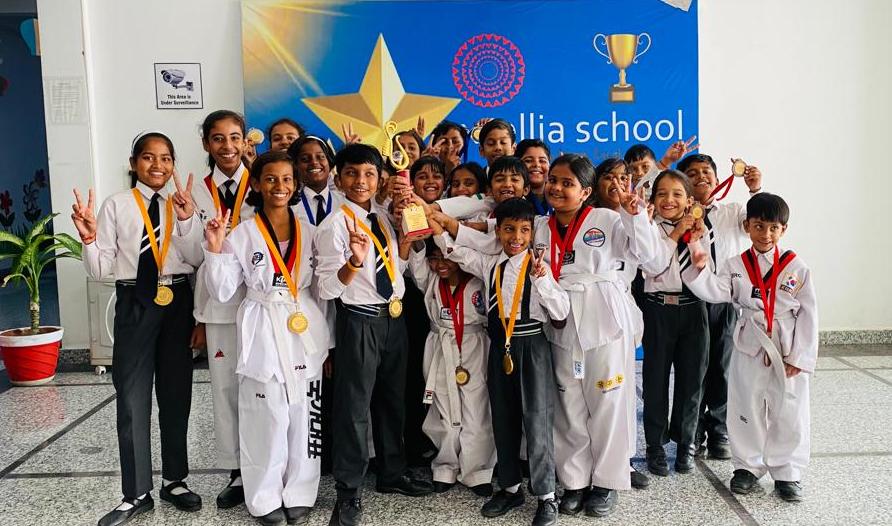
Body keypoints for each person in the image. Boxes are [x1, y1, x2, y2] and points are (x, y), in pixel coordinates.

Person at [72, 132, 204, 526]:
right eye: (148, 157)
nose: (157, 165)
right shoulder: (117, 205)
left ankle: (174, 480)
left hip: (177, 300)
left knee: (176, 394)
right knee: (131, 397)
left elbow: (198, 258)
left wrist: (186, 220)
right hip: (134, 300)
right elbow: (101, 267)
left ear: (173, 163)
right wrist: (89, 238)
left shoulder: (184, 204)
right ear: (134, 163)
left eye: (166, 158)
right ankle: (136, 493)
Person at [204, 150, 328, 525]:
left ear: (296, 184)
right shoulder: (241, 233)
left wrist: (330, 343)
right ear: (256, 184)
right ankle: (263, 496)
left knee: (305, 413)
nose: (280, 186)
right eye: (271, 179)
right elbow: (222, 292)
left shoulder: (310, 232)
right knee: (266, 415)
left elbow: (321, 290)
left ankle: (301, 490)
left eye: (287, 179)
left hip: (302, 326)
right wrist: (215, 248)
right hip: (263, 325)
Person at [430, 198, 570, 526]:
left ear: (532, 233)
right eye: (508, 229)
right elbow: (455, 251)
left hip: (532, 345)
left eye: (523, 230)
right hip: (499, 348)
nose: (516, 237)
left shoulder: (539, 267)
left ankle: (547, 496)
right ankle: (510, 488)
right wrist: (435, 221)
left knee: (537, 419)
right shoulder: (491, 265)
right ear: (498, 232)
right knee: (503, 418)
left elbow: (561, 313)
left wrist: (542, 281)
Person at [314, 144, 432, 526]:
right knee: (353, 408)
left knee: (392, 400)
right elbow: (326, 288)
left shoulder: (380, 217)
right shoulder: (333, 226)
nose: (360, 181)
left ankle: (391, 472)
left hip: (393, 319)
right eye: (352, 173)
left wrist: (405, 242)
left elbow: (396, 267)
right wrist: (353, 261)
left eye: (369, 173)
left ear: (380, 178)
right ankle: (348, 492)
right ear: (338, 178)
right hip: (359, 321)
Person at [541, 155, 657, 518]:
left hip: (603, 318)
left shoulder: (607, 219)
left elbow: (647, 255)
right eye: (553, 180)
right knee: (569, 405)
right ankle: (575, 481)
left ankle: (606, 482)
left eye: (567, 183)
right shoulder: (540, 226)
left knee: (608, 402)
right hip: (561, 318)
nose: (557, 188)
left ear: (585, 192)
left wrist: (634, 216)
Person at [684, 193, 816, 502]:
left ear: (783, 229)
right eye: (758, 226)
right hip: (749, 342)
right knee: (746, 403)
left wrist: (800, 356)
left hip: (786, 346)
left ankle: (787, 472)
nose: (766, 234)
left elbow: (809, 313)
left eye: (773, 228)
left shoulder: (796, 267)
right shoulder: (736, 265)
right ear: (747, 226)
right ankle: (746, 467)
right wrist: (700, 267)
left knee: (790, 408)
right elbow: (716, 291)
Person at [677, 153, 763, 459]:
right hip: (691, 299)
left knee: (722, 367)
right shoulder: (677, 215)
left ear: (717, 178)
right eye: (692, 173)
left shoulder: (733, 211)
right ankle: (692, 430)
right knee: (693, 368)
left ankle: (719, 430)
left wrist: (754, 189)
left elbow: (758, 219)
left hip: (726, 300)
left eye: (706, 172)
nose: (701, 177)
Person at [189, 110, 253, 508]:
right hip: (217, 307)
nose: (227, 146)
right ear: (206, 144)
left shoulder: (263, 182)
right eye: (218, 138)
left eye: (234, 137)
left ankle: (264, 463)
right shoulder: (197, 192)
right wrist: (198, 318)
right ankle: (237, 472)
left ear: (245, 141)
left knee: (261, 389)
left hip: (259, 305)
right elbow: (194, 260)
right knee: (226, 389)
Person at [404, 237, 496, 496]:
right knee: (442, 407)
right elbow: (417, 263)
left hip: (473, 342)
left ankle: (477, 471)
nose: (440, 264)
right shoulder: (431, 280)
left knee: (476, 408)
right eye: (434, 259)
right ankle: (445, 467)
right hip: (440, 344)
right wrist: (419, 242)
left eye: (446, 257)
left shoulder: (478, 280)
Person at [638, 170, 709, 477]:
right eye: (662, 194)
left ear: (689, 200)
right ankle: (655, 445)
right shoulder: (647, 229)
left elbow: (707, 267)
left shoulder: (702, 229)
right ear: (652, 199)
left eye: (677, 194)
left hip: (694, 308)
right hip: (658, 310)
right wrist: (678, 232)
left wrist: (696, 236)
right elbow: (653, 266)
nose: (669, 200)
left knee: (692, 381)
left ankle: (686, 443)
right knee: (655, 380)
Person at [590, 158, 652, 490]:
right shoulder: (583, 217)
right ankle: (586, 462)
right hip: (584, 307)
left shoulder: (632, 214)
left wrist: (636, 216)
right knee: (586, 394)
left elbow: (647, 256)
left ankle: (622, 461)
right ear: (594, 183)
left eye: (622, 177)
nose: (616, 184)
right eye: (608, 177)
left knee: (620, 391)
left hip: (618, 306)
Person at [516, 139, 551, 216]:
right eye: (528, 161)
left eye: (542, 161)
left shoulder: (557, 196)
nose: (536, 165)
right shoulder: (512, 198)